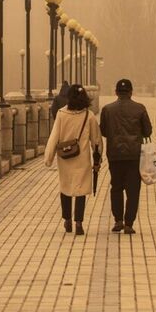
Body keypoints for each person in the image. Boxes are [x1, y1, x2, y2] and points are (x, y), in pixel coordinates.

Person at [44, 84, 101, 235]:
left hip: (65, 159)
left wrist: (48, 158)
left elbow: (54, 136)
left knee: (66, 188)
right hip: (82, 159)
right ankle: (79, 223)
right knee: (80, 190)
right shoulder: (89, 115)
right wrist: (98, 160)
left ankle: (67, 220)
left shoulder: (62, 114)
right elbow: (96, 141)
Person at [99, 78, 152, 234]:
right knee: (133, 190)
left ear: (116, 92)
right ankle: (129, 223)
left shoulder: (108, 109)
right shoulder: (140, 108)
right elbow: (148, 131)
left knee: (116, 188)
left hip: (114, 155)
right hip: (134, 155)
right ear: (131, 92)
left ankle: (118, 221)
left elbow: (103, 131)